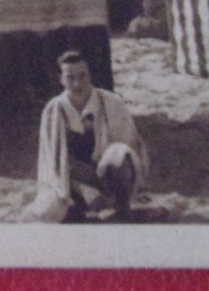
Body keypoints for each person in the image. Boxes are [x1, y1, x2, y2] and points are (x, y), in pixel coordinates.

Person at [24, 51, 149, 223]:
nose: (78, 83)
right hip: (71, 184)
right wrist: (88, 193)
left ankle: (121, 209)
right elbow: (54, 164)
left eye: (83, 76)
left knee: (120, 154)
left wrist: (106, 185)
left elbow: (130, 148)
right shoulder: (53, 110)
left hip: (107, 179)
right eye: (70, 77)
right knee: (47, 211)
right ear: (61, 79)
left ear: (90, 75)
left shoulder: (112, 102)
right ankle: (87, 213)